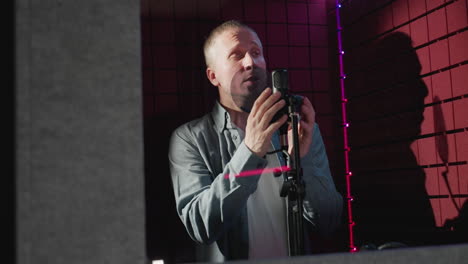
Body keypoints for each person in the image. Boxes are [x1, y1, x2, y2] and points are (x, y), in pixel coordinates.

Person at [168, 20, 343, 262]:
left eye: (256, 53)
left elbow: (329, 222)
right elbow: (201, 225)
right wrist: (250, 151)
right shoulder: (189, 139)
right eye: (236, 55)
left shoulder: (297, 128)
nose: (250, 62)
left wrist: (302, 164)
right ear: (213, 76)